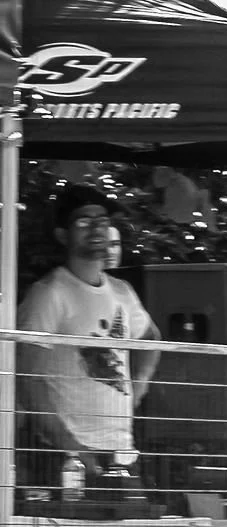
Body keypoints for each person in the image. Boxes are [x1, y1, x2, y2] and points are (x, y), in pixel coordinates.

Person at [17, 184, 160, 501]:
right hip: (69, 453)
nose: (96, 228)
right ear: (62, 235)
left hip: (122, 451)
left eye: (102, 220)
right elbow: (27, 378)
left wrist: (139, 386)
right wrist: (68, 444)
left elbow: (151, 338)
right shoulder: (49, 293)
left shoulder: (122, 291)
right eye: (84, 221)